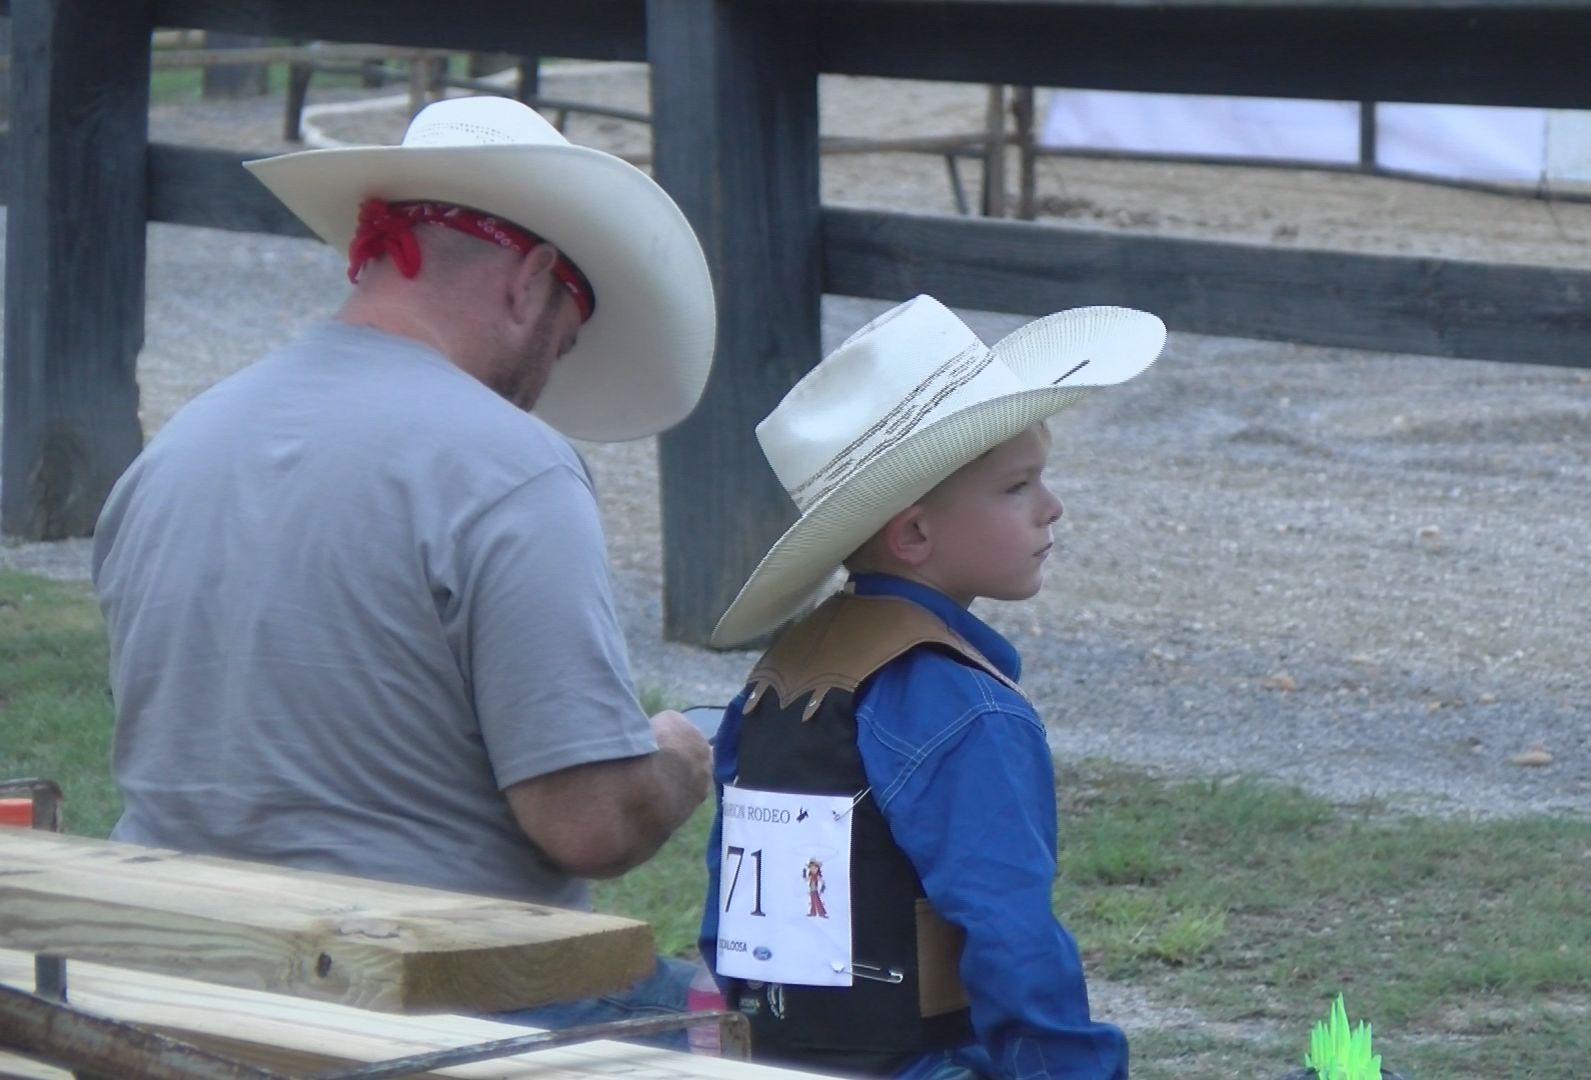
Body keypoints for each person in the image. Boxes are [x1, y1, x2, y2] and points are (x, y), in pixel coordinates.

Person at [92, 96, 717, 1033]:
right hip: (424, 1006)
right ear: (532, 280)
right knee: (767, 1024)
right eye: (565, 337)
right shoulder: (512, 467)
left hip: (173, 980)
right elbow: (587, 823)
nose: (548, 375)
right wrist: (675, 760)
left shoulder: (177, 448)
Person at [698, 295, 1165, 1078]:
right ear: (914, 533)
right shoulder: (964, 707)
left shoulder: (781, 674)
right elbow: (1009, 933)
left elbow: (731, 912)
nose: (1052, 507)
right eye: (1018, 486)